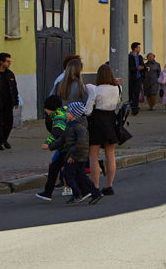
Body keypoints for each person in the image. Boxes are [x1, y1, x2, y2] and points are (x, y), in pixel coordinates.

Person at [47, 97, 102, 205]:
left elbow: (81, 142)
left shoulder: (79, 126)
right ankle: (95, 193)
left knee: (68, 174)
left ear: (74, 114)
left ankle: (78, 194)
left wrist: (72, 155)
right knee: (81, 176)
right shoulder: (70, 124)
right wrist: (50, 146)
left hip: (77, 155)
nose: (66, 113)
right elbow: (63, 139)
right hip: (76, 154)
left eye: (68, 112)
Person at [85, 63, 121, 195]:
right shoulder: (116, 88)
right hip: (111, 120)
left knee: (93, 155)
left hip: (97, 121)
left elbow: (88, 110)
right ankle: (109, 185)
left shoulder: (96, 89)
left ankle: (95, 186)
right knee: (110, 155)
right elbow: (117, 102)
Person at [35, 95, 72, 201]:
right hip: (67, 148)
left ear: (50, 108)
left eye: (46, 108)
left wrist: (49, 145)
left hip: (66, 149)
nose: (45, 111)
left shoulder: (58, 119)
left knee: (71, 172)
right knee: (55, 168)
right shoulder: (63, 112)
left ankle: (87, 191)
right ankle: (47, 193)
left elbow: (58, 134)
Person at [128, 42, 144, 114]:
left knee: (137, 92)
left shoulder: (139, 57)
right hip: (131, 77)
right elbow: (129, 68)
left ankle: (135, 107)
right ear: (135, 48)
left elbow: (142, 65)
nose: (139, 49)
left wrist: (145, 68)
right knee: (131, 92)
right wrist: (137, 68)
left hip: (138, 77)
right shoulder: (129, 57)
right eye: (138, 47)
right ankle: (132, 106)